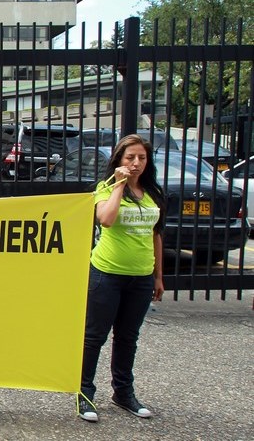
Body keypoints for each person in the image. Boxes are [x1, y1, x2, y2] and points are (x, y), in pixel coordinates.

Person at [78, 134, 165, 423]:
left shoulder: (152, 192)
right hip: (107, 274)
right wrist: (118, 184)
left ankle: (123, 393)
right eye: (130, 158)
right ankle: (85, 392)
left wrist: (158, 276)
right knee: (94, 337)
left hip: (140, 277)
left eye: (141, 157)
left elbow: (156, 235)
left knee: (128, 338)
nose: (136, 163)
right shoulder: (106, 188)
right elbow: (106, 218)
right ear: (119, 160)